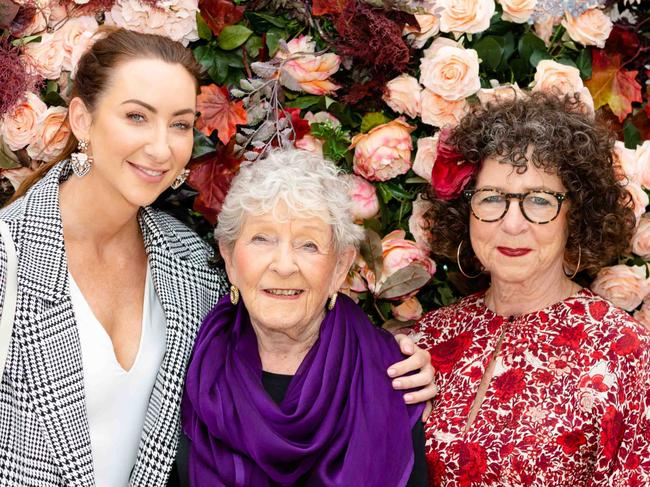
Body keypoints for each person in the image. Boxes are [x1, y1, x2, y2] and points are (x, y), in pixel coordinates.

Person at [0, 28, 436, 487]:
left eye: (181, 124)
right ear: (82, 120)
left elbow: (279, 324)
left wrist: (386, 365)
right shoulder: (9, 257)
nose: (161, 147)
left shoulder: (188, 259)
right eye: (136, 116)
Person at [412, 92, 650, 484]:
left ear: (575, 214)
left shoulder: (627, 354)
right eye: (492, 198)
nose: (512, 224)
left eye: (539, 201)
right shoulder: (428, 338)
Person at [180, 148, 428, 486]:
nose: (284, 265)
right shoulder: (191, 361)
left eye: (308, 245)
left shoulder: (393, 373)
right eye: (262, 239)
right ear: (229, 257)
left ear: (340, 266)